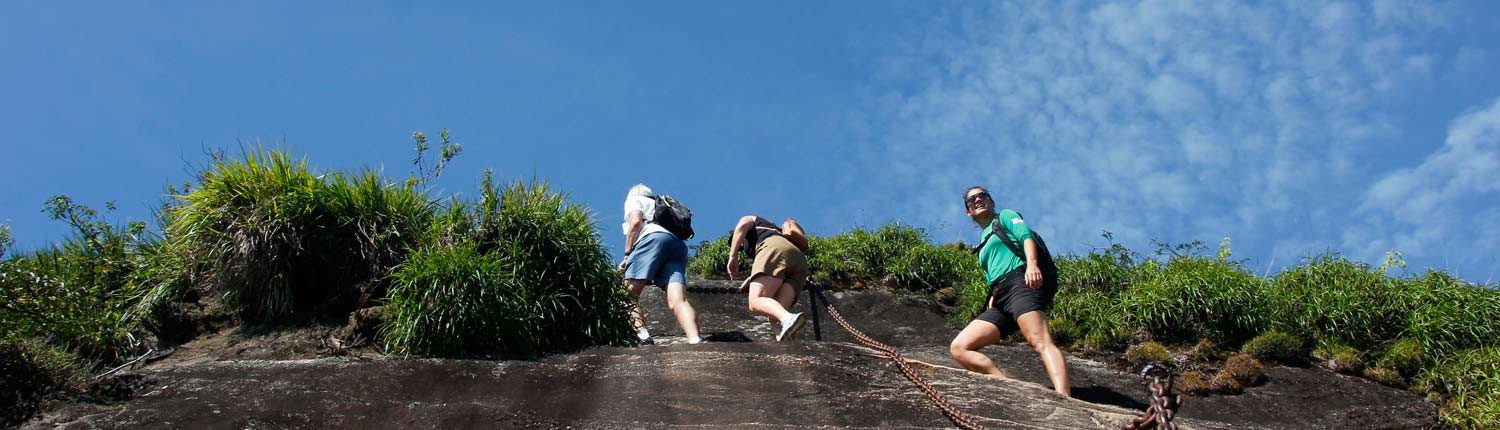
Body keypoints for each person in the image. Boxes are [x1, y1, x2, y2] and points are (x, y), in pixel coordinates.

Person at [949, 186, 1070, 397]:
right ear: (968, 211)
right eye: (972, 199)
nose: (978, 200)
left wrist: (1032, 265)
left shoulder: (1005, 216)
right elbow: (994, 270)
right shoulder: (982, 244)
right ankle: (1009, 389)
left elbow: (1025, 238)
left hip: (1020, 282)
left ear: (991, 201)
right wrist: (993, 295)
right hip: (1000, 296)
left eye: (982, 195)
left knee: (1039, 340)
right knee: (960, 347)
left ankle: (1065, 398)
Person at [619, 184, 702, 344]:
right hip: (677, 245)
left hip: (652, 240)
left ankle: (642, 335)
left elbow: (636, 222)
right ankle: (695, 338)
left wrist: (627, 254)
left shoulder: (634, 200)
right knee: (678, 300)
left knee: (627, 295)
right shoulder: (659, 205)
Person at [727, 215, 811, 341]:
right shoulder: (774, 230)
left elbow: (743, 225)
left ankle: (788, 318)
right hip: (798, 260)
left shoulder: (754, 221)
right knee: (775, 315)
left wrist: (733, 256)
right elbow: (775, 266)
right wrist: (752, 279)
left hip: (775, 247)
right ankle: (783, 339)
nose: (741, 246)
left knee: (755, 300)